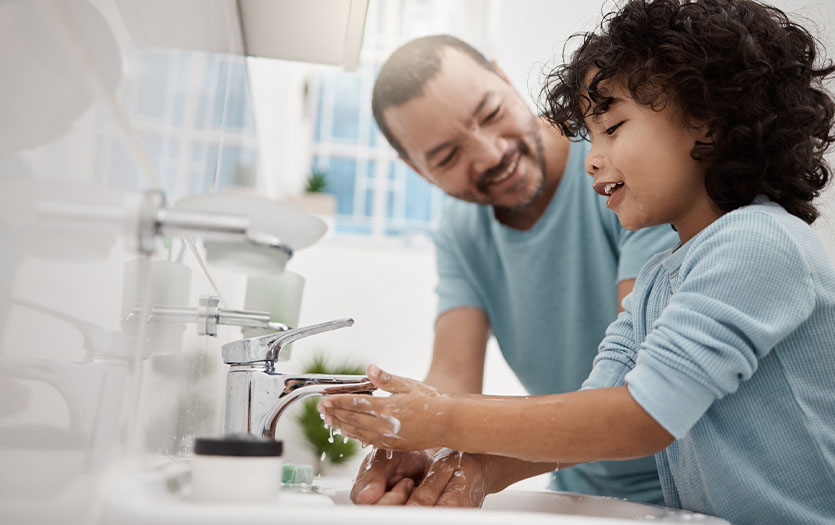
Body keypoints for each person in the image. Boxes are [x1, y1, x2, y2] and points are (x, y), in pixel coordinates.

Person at [320, 1, 835, 523]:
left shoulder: (758, 243)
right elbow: (603, 398)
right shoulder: (662, 274)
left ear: (706, 121)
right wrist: (468, 467)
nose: (591, 155)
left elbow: (641, 415)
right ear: (417, 171)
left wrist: (441, 420)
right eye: (591, 134)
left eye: (612, 128)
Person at [349, 34, 678, 507]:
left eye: (490, 114)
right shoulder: (462, 229)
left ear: (505, 79)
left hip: (688, 487)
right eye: (446, 156)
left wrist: (452, 430)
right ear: (419, 172)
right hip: (579, 495)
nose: (489, 154)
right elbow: (453, 373)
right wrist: (416, 441)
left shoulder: (616, 170)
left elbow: (637, 374)